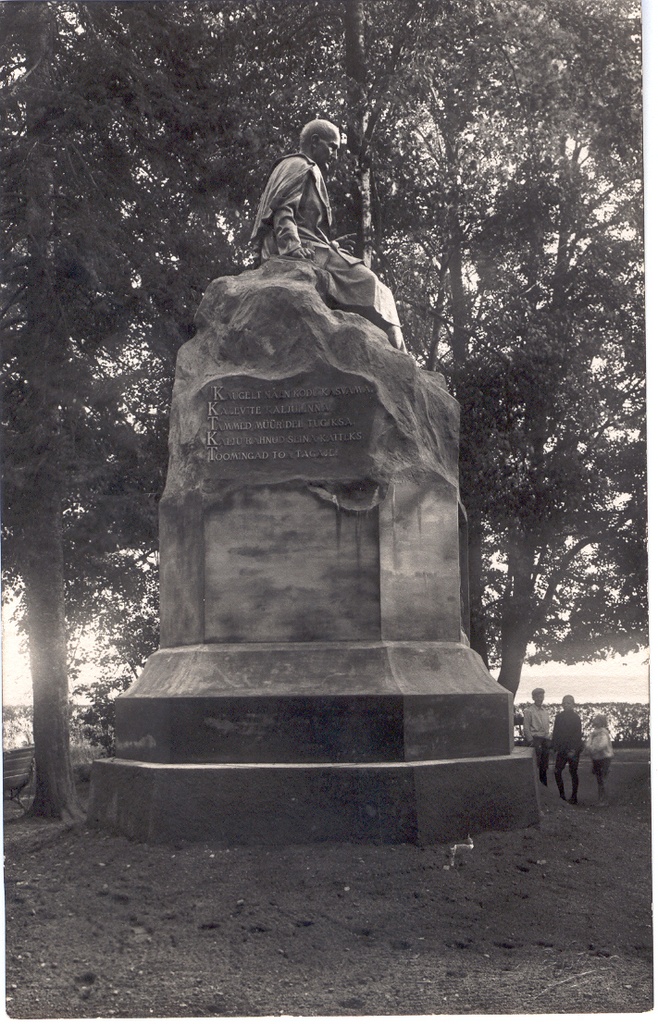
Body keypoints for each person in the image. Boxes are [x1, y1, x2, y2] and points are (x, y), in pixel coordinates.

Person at [251, 118, 408, 353]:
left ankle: (399, 356)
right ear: (315, 142)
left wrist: (329, 243)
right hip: (292, 248)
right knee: (369, 283)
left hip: (310, 244)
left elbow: (305, 222)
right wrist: (293, 248)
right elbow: (282, 211)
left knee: (375, 286)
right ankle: (401, 358)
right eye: (332, 146)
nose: (335, 154)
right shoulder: (301, 166)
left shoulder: (303, 168)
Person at [551, 695, 583, 804]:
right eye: (564, 702)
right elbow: (555, 733)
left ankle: (574, 796)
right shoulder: (558, 717)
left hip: (573, 750)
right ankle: (562, 795)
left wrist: (574, 750)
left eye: (569, 703)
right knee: (557, 771)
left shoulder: (576, 718)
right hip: (562, 750)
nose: (566, 705)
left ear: (573, 704)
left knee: (573, 772)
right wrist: (554, 747)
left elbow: (577, 735)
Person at [523, 687, 551, 786]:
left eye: (541, 696)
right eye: (538, 697)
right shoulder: (529, 711)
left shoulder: (545, 711)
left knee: (544, 763)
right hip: (535, 739)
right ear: (533, 698)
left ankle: (544, 784)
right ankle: (534, 784)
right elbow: (526, 727)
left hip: (544, 739)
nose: (540, 699)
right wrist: (531, 740)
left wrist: (547, 737)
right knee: (535, 763)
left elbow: (546, 726)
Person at [585, 714, 614, 806]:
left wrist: (593, 749)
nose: (595, 722)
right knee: (599, 779)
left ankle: (605, 800)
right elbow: (588, 743)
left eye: (598, 720)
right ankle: (601, 799)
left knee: (603, 778)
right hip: (596, 758)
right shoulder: (593, 733)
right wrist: (590, 748)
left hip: (604, 758)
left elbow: (603, 744)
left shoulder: (603, 732)